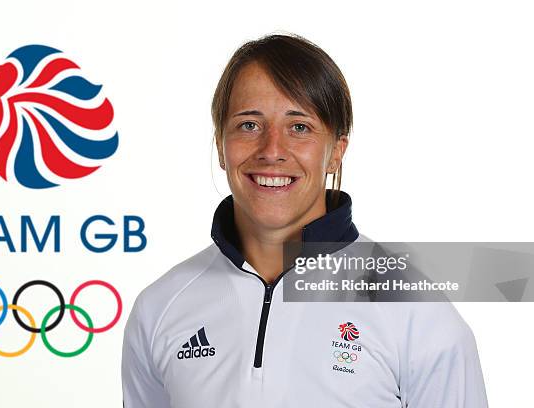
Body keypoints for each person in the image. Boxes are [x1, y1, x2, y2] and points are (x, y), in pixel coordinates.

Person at [121, 33, 488, 407]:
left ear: (335, 152)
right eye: (249, 125)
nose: (272, 151)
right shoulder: (160, 308)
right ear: (220, 144)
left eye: (299, 127)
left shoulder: (415, 312)